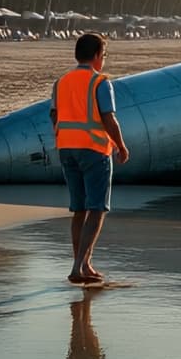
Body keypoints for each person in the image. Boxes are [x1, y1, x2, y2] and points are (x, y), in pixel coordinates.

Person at [49, 32, 130, 285]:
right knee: (97, 208)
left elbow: (54, 114)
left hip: (66, 149)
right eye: (103, 55)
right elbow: (109, 118)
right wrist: (121, 145)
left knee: (79, 208)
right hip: (94, 149)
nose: (103, 60)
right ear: (96, 56)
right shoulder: (100, 83)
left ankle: (83, 262)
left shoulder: (61, 82)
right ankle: (78, 266)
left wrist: (63, 134)